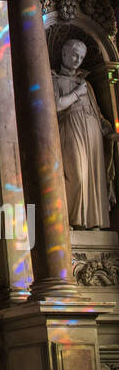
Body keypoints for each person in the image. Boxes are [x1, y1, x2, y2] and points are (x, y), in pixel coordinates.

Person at [53, 38, 118, 228]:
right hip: (71, 129)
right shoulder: (55, 79)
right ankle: (72, 220)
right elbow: (55, 105)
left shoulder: (86, 84)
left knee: (93, 180)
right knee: (77, 176)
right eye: (74, 54)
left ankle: (92, 222)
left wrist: (110, 133)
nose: (77, 59)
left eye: (81, 57)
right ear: (64, 54)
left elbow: (97, 114)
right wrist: (76, 94)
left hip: (93, 135)